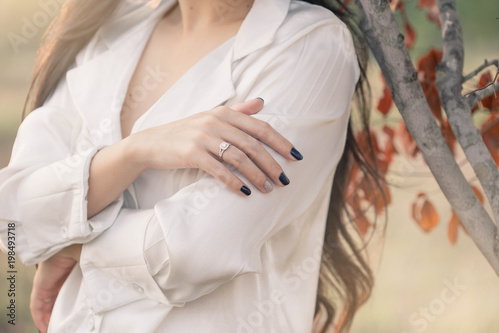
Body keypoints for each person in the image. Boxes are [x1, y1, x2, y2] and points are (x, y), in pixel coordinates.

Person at [0, 0, 377, 332]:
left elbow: (187, 254)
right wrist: (136, 151)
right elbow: (13, 215)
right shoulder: (113, 25)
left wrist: (66, 245)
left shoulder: (309, 46)